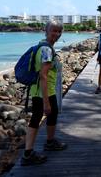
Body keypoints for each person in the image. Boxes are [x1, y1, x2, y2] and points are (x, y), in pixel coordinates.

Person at [21, 20, 67, 166]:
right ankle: (28, 154)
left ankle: (49, 142)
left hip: (45, 90)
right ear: (46, 31)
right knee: (37, 118)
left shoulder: (42, 45)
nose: (57, 34)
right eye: (53, 30)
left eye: (59, 31)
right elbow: (43, 75)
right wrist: (46, 102)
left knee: (51, 116)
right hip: (43, 92)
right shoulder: (46, 50)